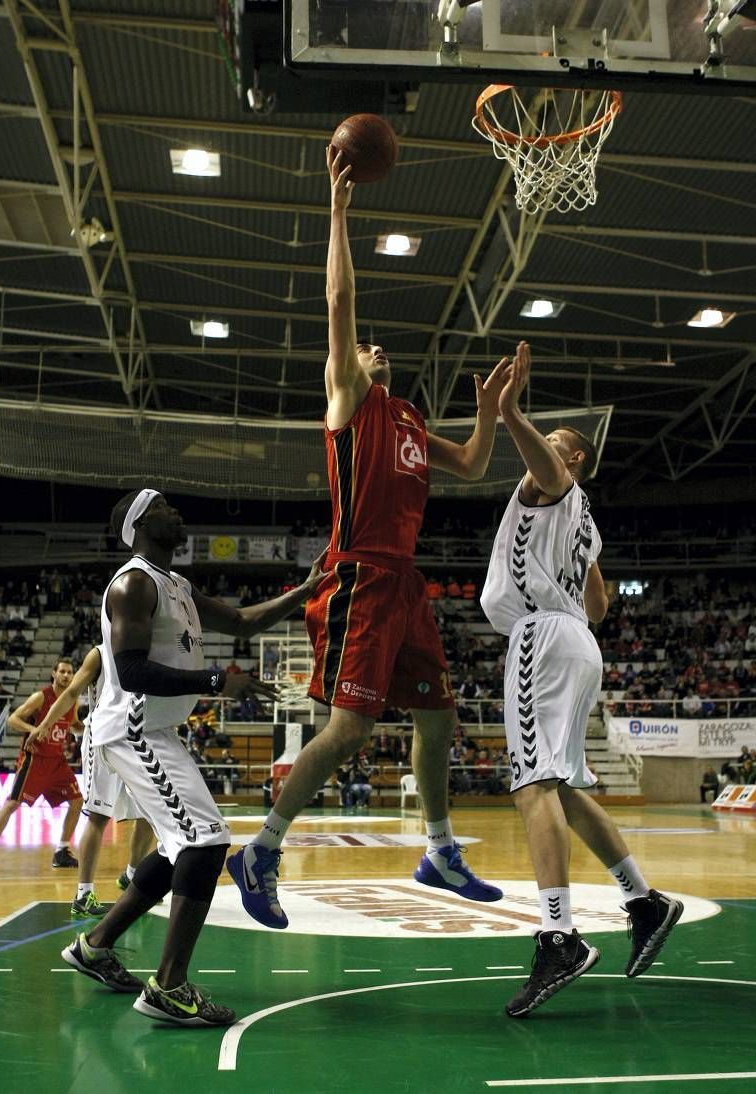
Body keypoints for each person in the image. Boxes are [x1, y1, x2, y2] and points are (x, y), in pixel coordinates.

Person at [226, 145, 507, 931]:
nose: (375, 347)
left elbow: (478, 461)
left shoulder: (411, 415)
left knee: (441, 717)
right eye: (365, 345)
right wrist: (340, 212)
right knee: (349, 730)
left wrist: (489, 409)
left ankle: (440, 849)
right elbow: (339, 301)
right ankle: (263, 849)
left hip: (407, 584)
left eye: (381, 348)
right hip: (360, 578)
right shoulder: (350, 401)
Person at [60, 488, 324, 1027]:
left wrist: (309, 589)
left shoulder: (176, 585)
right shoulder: (133, 584)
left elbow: (245, 622)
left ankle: (96, 944)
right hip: (133, 730)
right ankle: (169, 986)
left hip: (156, 730)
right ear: (138, 524)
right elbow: (131, 671)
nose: (173, 511)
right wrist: (216, 681)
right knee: (206, 841)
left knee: (185, 843)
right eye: (160, 506)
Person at [480, 342, 684, 1018]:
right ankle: (642, 900)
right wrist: (574, 568)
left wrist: (509, 410)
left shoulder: (555, 483)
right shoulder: (583, 521)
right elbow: (599, 604)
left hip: (543, 635)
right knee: (559, 789)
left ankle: (559, 933)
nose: (536, 451)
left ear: (571, 460)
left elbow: (545, 466)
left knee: (533, 786)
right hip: (577, 636)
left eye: (552, 444)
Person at [32, 645, 157, 917]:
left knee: (150, 812)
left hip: (137, 737)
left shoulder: (150, 649)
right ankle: (83, 893)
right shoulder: (99, 653)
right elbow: (72, 693)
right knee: (98, 816)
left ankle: (133, 875)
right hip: (102, 738)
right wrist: (45, 725)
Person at [0, 659, 84, 872]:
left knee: (77, 801)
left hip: (57, 763)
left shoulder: (73, 701)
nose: (66, 675)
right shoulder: (41, 697)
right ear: (54, 673)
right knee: (12, 804)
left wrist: (88, 727)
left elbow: (74, 725)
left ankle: (61, 851)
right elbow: (13, 719)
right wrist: (32, 729)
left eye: (70, 673)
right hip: (34, 760)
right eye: (62, 671)